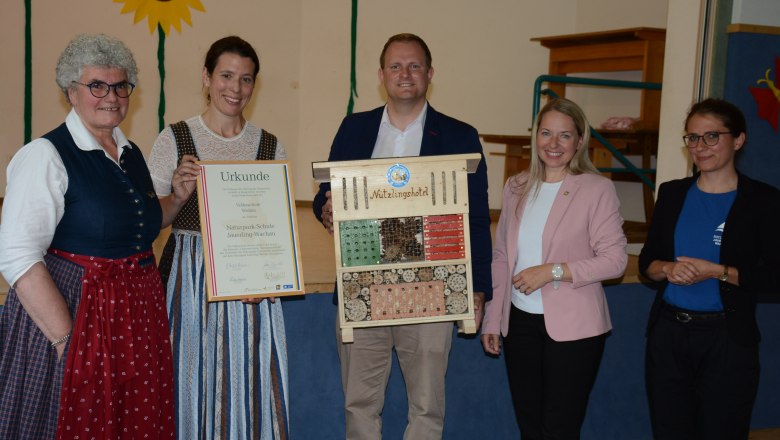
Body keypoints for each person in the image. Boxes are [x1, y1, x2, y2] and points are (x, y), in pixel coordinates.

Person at [312, 33, 492, 439]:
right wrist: (325, 207)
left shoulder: (460, 135)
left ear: (430, 74)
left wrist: (479, 287)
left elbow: (476, 217)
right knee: (359, 403)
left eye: (414, 66)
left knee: (427, 408)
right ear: (381, 75)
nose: (405, 74)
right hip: (364, 288)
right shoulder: (354, 128)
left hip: (433, 289)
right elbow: (326, 195)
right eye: (395, 66)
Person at [0, 34, 177, 438]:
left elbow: (141, 225)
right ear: (71, 92)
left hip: (135, 317)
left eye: (120, 86)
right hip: (78, 312)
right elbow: (17, 254)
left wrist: (177, 198)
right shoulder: (44, 156)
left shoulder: (129, 153)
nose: (110, 96)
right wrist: (66, 338)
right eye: (97, 85)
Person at [147, 36, 289, 439]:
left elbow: (275, 226)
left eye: (246, 79)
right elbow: (154, 222)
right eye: (226, 75)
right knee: (187, 378)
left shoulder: (269, 145)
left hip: (250, 282)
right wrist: (176, 195)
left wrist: (269, 277)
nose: (235, 88)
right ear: (207, 77)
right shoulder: (174, 138)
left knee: (249, 379)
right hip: (188, 280)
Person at [481, 98, 627, 439]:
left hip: (575, 329)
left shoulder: (597, 188)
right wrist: (492, 317)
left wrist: (553, 271)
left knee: (559, 428)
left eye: (564, 135)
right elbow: (501, 256)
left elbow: (615, 261)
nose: (553, 143)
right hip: (519, 323)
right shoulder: (516, 186)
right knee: (530, 425)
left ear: (579, 140)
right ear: (535, 137)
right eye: (546, 133)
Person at [638, 98, 780, 439]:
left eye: (711, 137)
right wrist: (668, 269)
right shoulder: (672, 193)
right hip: (669, 335)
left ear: (739, 140)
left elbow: (776, 276)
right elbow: (647, 264)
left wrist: (717, 271)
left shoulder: (763, 201)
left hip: (727, 339)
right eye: (692, 138)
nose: (700, 147)